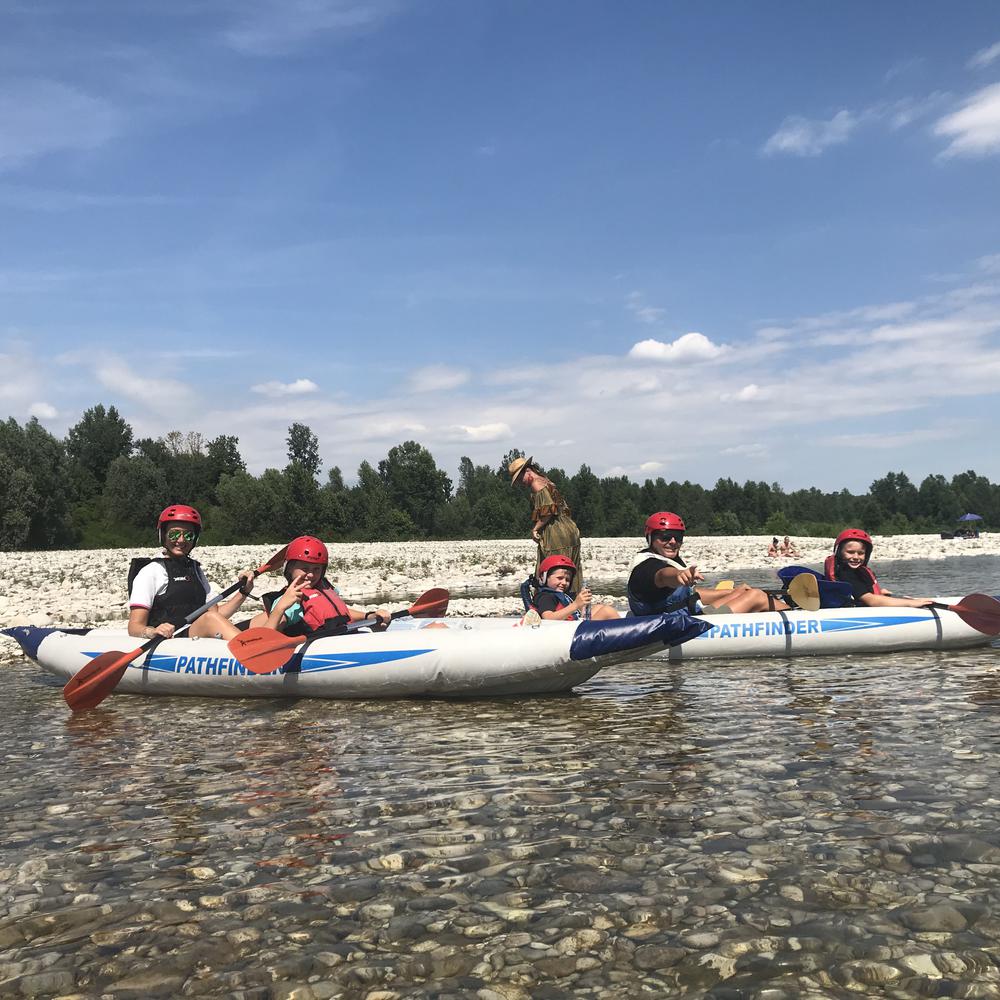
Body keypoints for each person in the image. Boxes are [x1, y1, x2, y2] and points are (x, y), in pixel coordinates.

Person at [127, 504, 254, 641]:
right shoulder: (151, 571)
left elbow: (217, 614)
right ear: (163, 535)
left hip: (198, 635)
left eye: (188, 535)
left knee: (263, 619)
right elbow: (134, 627)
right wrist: (152, 631)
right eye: (174, 534)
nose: (181, 540)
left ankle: (267, 651)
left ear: (194, 539)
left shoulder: (195, 569)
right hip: (172, 640)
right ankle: (252, 652)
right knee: (210, 618)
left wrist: (244, 592)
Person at [628, 511, 791, 616]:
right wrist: (679, 575)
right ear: (650, 539)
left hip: (684, 618)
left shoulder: (663, 558)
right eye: (665, 537)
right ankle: (797, 618)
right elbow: (663, 576)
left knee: (746, 591)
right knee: (757, 597)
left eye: (677, 537)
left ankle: (793, 613)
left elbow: (689, 596)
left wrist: (732, 592)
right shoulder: (647, 568)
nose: (672, 541)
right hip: (680, 628)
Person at [251, 535, 392, 636]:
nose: (311, 575)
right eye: (304, 569)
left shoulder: (323, 588)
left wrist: (368, 616)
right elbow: (266, 638)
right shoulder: (289, 600)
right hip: (316, 648)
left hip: (340, 637)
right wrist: (281, 607)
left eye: (316, 569)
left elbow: (342, 615)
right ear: (289, 569)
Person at [509, 455, 583, 587]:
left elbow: (548, 512)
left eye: (520, 478)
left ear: (528, 471)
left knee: (553, 569)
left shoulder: (536, 486)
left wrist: (535, 529)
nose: (521, 482)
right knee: (571, 570)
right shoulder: (546, 481)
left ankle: (555, 604)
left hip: (556, 534)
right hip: (570, 529)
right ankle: (575, 602)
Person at [825, 529, 935, 608]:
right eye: (850, 552)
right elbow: (871, 601)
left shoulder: (856, 572)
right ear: (839, 552)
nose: (856, 557)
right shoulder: (846, 574)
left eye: (861, 553)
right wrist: (911, 603)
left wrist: (880, 593)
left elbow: (861, 592)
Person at [528, 555, 619, 622]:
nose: (564, 583)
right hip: (565, 634)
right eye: (559, 578)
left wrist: (582, 607)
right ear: (543, 578)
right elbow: (548, 618)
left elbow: (573, 613)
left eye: (567, 580)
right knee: (607, 611)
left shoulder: (563, 595)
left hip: (572, 627)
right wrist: (575, 605)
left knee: (600, 607)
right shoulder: (545, 597)